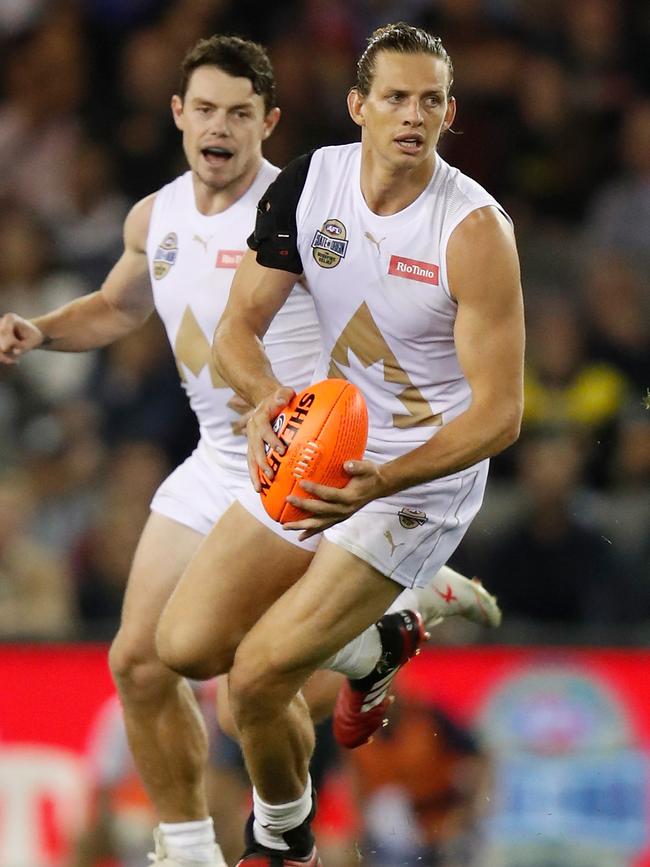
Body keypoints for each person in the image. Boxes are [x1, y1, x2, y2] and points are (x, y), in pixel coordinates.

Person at [0, 33, 500, 867]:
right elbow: (121, 306)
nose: (218, 128)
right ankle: (191, 848)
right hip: (216, 457)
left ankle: (288, 830)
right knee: (139, 658)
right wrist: (42, 331)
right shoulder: (153, 216)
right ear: (177, 115)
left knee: (250, 690)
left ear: (268, 123)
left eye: (239, 113)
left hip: (304, 463)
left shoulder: (302, 201)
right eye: (203, 110)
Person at [154, 22, 524, 867]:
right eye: (394, 97)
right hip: (327, 444)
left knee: (255, 682)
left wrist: (380, 480)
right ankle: (382, 636)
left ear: (449, 113)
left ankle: (284, 841)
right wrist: (266, 401)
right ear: (358, 105)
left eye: (431, 100)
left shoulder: (473, 233)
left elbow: (499, 417)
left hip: (419, 483)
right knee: (187, 649)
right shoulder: (311, 185)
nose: (412, 115)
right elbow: (239, 327)